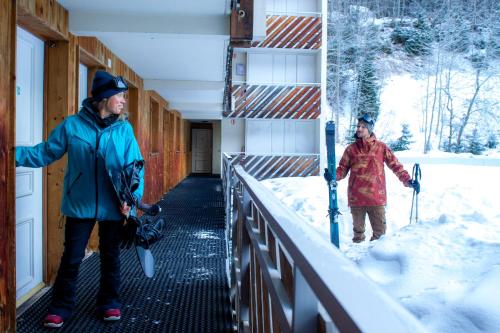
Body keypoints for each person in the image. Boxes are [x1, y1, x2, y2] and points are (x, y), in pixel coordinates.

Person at [16, 71, 144, 328]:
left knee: (110, 256)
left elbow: (135, 167)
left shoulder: (124, 129)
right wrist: (9, 154)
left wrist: (132, 199)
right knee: (72, 258)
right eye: (119, 95)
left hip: (113, 205)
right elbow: (45, 152)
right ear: (104, 97)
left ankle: (109, 303)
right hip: (79, 204)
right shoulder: (72, 126)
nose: (122, 101)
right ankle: (60, 307)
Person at [335, 114, 417, 243]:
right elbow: (342, 169)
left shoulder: (381, 147)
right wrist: (333, 176)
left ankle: (375, 260)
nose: (359, 129)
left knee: (380, 236)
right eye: (358, 126)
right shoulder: (351, 149)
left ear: (370, 129)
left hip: (376, 198)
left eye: (363, 127)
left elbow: (396, 166)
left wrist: (408, 181)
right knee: (358, 236)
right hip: (357, 199)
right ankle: (355, 261)